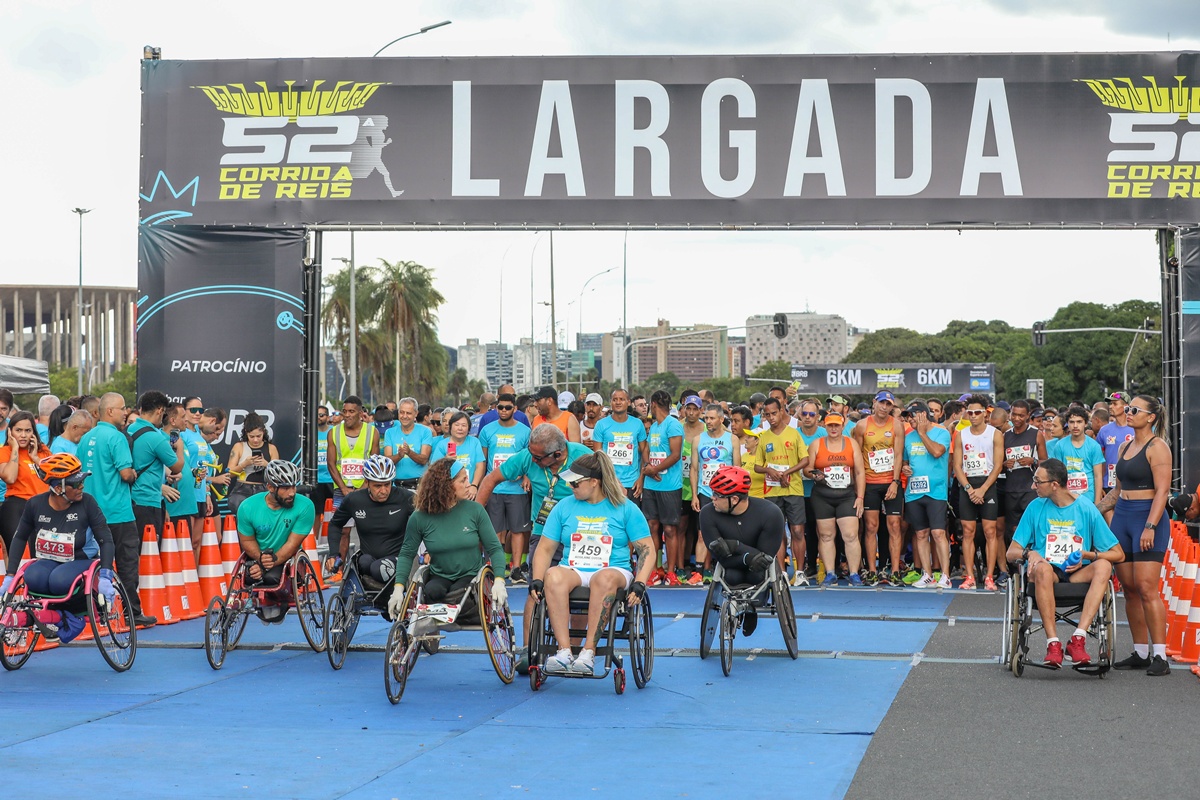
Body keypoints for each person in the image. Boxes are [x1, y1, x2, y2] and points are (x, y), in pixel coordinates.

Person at [530, 452, 655, 674]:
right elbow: (545, 548)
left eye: (575, 483)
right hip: (574, 568)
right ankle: (564, 650)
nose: (570, 487)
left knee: (603, 578)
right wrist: (537, 579)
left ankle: (588, 651)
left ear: (594, 482)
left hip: (613, 569)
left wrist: (640, 582)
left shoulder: (625, 508)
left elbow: (647, 549)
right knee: (553, 575)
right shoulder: (563, 507)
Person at [1006, 459, 1124, 668]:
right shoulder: (1035, 507)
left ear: (1054, 484)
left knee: (1105, 566)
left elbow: (1118, 554)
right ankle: (1053, 644)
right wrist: (1030, 552)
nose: (1033, 486)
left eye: (1038, 481)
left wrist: (1088, 555)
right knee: (1042, 569)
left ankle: (1078, 639)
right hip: (1047, 573)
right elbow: (1010, 553)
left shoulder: (1086, 508)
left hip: (1077, 572)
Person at [0, 454, 114, 644]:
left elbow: (106, 540)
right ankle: (56, 616)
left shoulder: (87, 503)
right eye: (75, 484)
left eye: (82, 481)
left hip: (81, 559)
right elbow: (19, 537)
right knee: (32, 576)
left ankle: (74, 614)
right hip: (49, 560)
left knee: (59, 580)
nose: (81, 486)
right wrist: (10, 576)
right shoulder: (35, 504)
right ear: (58, 488)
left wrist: (106, 576)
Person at [1097, 395, 1172, 676]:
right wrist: (1092, 511)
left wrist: (1150, 526)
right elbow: (1117, 491)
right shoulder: (1125, 446)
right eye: (1128, 409)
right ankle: (1141, 652)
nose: (1128, 412)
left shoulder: (1158, 447)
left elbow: (1162, 492)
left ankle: (1160, 655)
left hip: (1147, 517)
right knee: (1128, 587)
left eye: (1134, 409)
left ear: (1150, 417)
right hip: (1123, 517)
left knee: (1146, 587)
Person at [388, 458, 507, 619]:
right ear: (446, 485)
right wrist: (398, 589)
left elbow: (495, 549)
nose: (469, 484)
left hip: (471, 576)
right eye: (463, 480)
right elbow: (407, 554)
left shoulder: (475, 510)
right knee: (431, 592)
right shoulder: (420, 517)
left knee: (459, 595)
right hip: (440, 576)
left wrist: (499, 581)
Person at [76, 392, 155, 626]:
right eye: (122, 408)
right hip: (117, 512)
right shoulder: (117, 437)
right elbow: (125, 474)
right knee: (127, 564)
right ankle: (132, 613)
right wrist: (134, 474)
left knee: (94, 566)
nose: (126, 412)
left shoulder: (86, 438)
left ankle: (98, 614)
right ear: (110, 411)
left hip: (90, 513)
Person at [700, 465, 785, 634]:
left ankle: (751, 609)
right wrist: (747, 556)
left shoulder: (771, 513)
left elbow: (763, 560)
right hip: (731, 566)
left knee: (756, 575)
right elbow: (721, 557)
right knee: (732, 576)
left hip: (757, 570)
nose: (712, 498)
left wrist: (736, 546)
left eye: (717, 494)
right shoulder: (707, 514)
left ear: (734, 499)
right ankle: (742, 607)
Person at [323, 455, 412, 614]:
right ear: (367, 482)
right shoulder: (354, 500)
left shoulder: (405, 497)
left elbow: (426, 522)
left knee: (378, 568)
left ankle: (385, 599)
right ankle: (381, 597)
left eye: (387, 484)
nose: (383, 490)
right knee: (363, 562)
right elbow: (335, 524)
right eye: (377, 486)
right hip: (368, 559)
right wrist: (333, 554)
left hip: (397, 559)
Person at [235, 459, 316, 622]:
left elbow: (292, 544)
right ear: (270, 487)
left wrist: (269, 563)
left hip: (286, 559)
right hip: (258, 555)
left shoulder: (306, 506)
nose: (292, 493)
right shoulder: (247, 507)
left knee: (272, 578)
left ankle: (280, 602)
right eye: (285, 488)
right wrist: (260, 559)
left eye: (293, 486)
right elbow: (247, 541)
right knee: (249, 577)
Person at [804, 413, 865, 587]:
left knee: (850, 535)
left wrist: (860, 497)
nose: (833, 429)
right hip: (823, 496)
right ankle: (830, 573)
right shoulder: (817, 444)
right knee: (826, 535)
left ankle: (854, 573)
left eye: (836, 425)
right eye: (830, 425)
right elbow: (807, 469)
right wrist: (814, 475)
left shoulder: (851, 444)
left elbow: (860, 472)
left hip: (846, 495)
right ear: (825, 426)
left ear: (842, 426)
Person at [852, 391, 906, 585]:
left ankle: (894, 570)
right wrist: (858, 487)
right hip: (870, 483)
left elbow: (898, 455)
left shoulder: (897, 425)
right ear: (874, 403)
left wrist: (895, 482)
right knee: (871, 527)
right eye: (882, 403)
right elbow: (857, 457)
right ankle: (872, 570)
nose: (884, 407)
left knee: (894, 526)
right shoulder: (862, 426)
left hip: (890, 481)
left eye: (888, 404)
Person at [952, 394, 1005, 591]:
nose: (973, 416)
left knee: (991, 531)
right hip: (968, 485)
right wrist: (969, 489)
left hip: (987, 485)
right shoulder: (961, 434)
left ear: (985, 413)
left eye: (977, 412)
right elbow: (957, 465)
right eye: (970, 413)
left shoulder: (995, 434)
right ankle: (970, 576)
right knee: (968, 531)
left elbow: (998, 465)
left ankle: (989, 576)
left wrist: (982, 489)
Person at [479, 393, 533, 582]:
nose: (503, 411)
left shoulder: (525, 431)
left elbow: (530, 457)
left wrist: (525, 475)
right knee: (494, 531)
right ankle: (496, 567)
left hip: (516, 489)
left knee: (518, 530)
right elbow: (483, 460)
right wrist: (482, 484)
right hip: (494, 489)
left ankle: (516, 568)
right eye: (500, 407)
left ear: (515, 409)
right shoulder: (487, 430)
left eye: (507, 407)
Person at [755, 397, 810, 582]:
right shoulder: (764, 437)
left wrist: (786, 473)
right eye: (767, 415)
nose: (771, 418)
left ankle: (800, 572)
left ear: (781, 411)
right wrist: (769, 470)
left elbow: (805, 460)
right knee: (778, 533)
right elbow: (757, 466)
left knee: (797, 530)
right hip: (772, 492)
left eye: (774, 413)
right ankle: (782, 572)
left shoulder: (794, 434)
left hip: (794, 489)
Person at [899, 401, 953, 589]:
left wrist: (922, 433)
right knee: (921, 534)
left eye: (912, 415)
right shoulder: (908, 437)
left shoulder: (941, 432)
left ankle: (945, 575)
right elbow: (905, 461)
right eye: (907, 416)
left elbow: (937, 452)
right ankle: (927, 574)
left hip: (936, 491)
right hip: (914, 492)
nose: (909, 419)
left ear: (923, 414)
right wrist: (905, 468)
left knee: (938, 533)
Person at [689, 403, 739, 584]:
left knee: (727, 533)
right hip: (705, 492)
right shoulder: (698, 439)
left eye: (711, 418)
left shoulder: (732, 439)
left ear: (721, 419)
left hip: (726, 494)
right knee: (702, 533)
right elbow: (694, 469)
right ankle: (699, 571)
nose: (708, 421)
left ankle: (728, 569)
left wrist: (736, 495)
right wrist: (694, 495)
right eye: (706, 418)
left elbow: (737, 468)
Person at [642, 390, 685, 586]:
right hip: (651, 484)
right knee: (652, 526)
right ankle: (654, 569)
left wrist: (655, 469)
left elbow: (675, 454)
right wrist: (647, 467)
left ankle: (671, 571)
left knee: (669, 529)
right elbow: (647, 450)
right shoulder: (654, 427)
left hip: (669, 485)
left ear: (653, 404)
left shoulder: (673, 425)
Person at [0, 411, 52, 551]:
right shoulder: (5, 451)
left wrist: (35, 458)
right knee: (19, 553)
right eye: (18, 430)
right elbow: (10, 477)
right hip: (17, 506)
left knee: (42, 554)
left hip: (43, 506)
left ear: (33, 432)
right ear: (10, 432)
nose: (23, 435)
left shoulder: (43, 451)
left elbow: (54, 478)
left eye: (28, 430)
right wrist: (15, 449)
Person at [592, 388, 649, 505]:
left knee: (631, 516)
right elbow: (597, 456)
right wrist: (608, 480)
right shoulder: (601, 425)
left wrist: (641, 479)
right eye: (615, 400)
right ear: (610, 402)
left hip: (632, 484)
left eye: (621, 399)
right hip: (609, 483)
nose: (618, 402)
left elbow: (644, 452)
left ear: (628, 402)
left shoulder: (637, 424)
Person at [1003, 399, 1048, 536]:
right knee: (1013, 530)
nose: (1017, 418)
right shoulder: (1005, 435)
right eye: (1014, 414)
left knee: (1032, 526)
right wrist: (1005, 464)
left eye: (1021, 415)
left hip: (1030, 489)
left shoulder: (1036, 434)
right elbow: (998, 465)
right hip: (1010, 489)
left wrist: (1033, 460)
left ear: (1028, 415)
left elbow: (1045, 462)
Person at [326, 396, 380, 509]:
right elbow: (331, 463)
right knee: (340, 520)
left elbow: (374, 464)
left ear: (360, 414)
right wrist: (343, 488)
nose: (347, 415)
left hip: (365, 488)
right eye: (344, 411)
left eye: (351, 411)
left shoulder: (372, 432)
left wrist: (363, 487)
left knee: (364, 519)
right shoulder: (333, 432)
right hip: (341, 488)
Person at [226, 412, 279, 513]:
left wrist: (267, 465)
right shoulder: (239, 446)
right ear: (246, 433)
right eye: (251, 436)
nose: (255, 440)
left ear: (263, 432)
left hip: (264, 489)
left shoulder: (271, 448)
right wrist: (244, 464)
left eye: (259, 436)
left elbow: (278, 475)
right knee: (243, 512)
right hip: (242, 489)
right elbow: (229, 473)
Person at [430, 411, 486, 501]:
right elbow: (434, 468)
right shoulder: (442, 444)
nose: (460, 428)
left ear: (468, 428)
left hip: (469, 491)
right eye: (456, 425)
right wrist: (445, 460)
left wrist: (474, 485)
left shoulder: (474, 442)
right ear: (450, 426)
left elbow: (479, 466)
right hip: (448, 492)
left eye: (464, 425)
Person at [383, 397, 434, 490]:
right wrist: (399, 456)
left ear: (416, 413)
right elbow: (387, 461)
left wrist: (409, 452)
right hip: (396, 485)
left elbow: (424, 459)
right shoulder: (389, 432)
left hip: (419, 485)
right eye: (402, 412)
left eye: (408, 413)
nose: (404, 416)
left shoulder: (425, 431)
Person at [1057, 406, 1106, 504]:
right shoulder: (1060, 445)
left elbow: (1098, 476)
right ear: (1067, 424)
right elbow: (1057, 475)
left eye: (1079, 422)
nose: (1075, 426)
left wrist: (1097, 502)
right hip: (1067, 498)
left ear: (1086, 423)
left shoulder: (1094, 446)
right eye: (1072, 422)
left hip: (1089, 498)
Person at [1097, 391, 1134, 515]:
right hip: (1109, 483)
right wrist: (1100, 485)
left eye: (1114, 404)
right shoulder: (1104, 431)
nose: (1110, 407)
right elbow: (1100, 459)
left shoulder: (1136, 428)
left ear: (1125, 406)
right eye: (1110, 404)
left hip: (1131, 483)